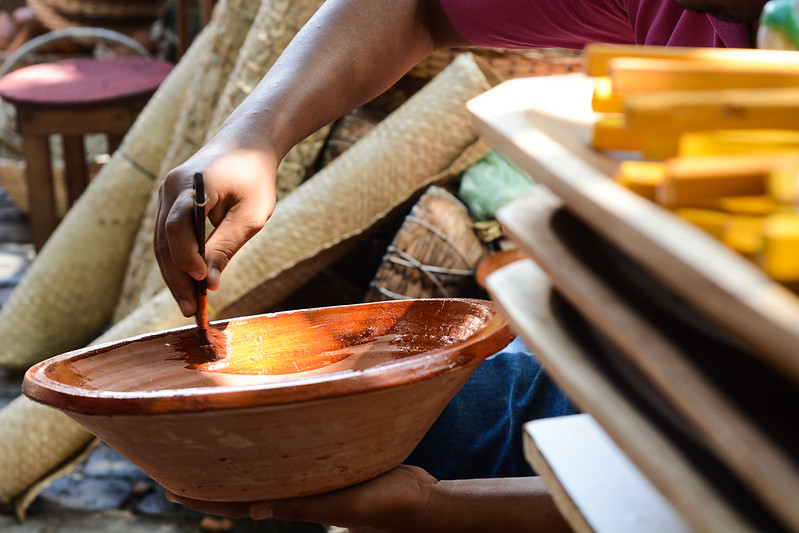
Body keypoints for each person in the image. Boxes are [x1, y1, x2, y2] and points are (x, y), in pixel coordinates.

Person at [155, 1, 768, 531]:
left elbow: (722, 502)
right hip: (645, 373)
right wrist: (253, 137)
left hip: (741, 458)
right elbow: (418, 9)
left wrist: (435, 510)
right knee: (343, 434)